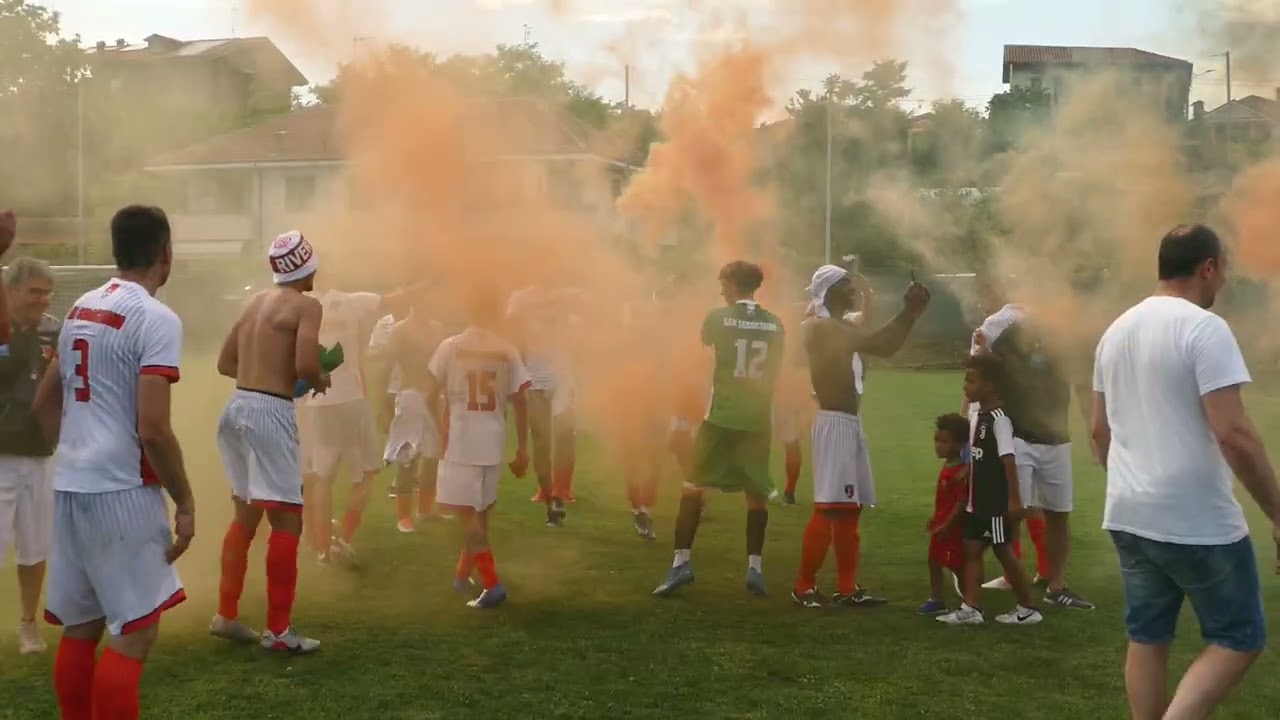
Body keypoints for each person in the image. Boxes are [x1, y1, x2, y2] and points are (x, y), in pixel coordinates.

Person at [1091, 224, 1280, 720]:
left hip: (1129, 515)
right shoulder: (1203, 328)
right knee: (1239, 638)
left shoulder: (1115, 331)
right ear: (1208, 268)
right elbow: (1234, 433)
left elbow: (1098, 433)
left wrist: (1136, 480)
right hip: (1196, 520)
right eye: (1223, 271)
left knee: (1147, 636)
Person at [33, 206, 194, 719]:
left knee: (83, 626)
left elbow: (43, 405)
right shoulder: (156, 317)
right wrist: (185, 501)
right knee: (135, 631)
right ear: (165, 253)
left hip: (72, 485)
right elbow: (153, 428)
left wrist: (76, 453)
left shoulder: (78, 306)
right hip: (121, 491)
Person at [210, 230, 327, 654]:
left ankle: (226, 613)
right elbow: (306, 363)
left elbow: (225, 362)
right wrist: (318, 379)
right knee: (288, 519)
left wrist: (267, 374)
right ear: (308, 266)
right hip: (269, 412)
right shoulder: (307, 305)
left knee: (245, 515)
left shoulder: (254, 301)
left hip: (236, 406)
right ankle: (278, 631)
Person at [790, 265, 928, 608]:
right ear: (830, 291)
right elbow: (881, 345)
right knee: (829, 507)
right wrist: (909, 313)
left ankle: (847, 589)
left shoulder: (831, 326)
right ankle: (803, 587)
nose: (853, 291)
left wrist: (910, 314)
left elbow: (882, 344)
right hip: (834, 421)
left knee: (849, 509)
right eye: (846, 286)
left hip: (847, 422)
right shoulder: (821, 328)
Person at [653, 261, 784, 598]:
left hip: (722, 416)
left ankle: (681, 563)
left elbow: (704, 350)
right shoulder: (775, 324)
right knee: (756, 494)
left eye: (722, 282)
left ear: (733, 283)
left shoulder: (716, 318)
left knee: (692, 486)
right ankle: (755, 568)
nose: (720, 289)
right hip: (757, 420)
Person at [967, 274, 1093, 611]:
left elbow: (1081, 378)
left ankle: (1056, 585)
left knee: (1058, 513)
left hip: (1057, 437)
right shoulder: (1010, 331)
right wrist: (982, 352)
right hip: (1019, 433)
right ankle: (1010, 581)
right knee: (1013, 511)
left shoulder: (1062, 335)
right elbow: (987, 371)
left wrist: (1092, 424)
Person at [425, 292, 531, 608]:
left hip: (461, 439)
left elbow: (428, 392)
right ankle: (461, 576)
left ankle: (492, 583)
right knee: (480, 511)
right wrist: (523, 447)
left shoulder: (450, 346)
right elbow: (522, 399)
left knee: (466, 514)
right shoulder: (507, 349)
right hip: (493, 438)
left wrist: (438, 421)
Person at [302, 278, 416, 562]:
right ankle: (344, 537)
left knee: (322, 477)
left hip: (318, 400)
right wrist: (428, 284)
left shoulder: (302, 307)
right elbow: (394, 297)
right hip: (352, 398)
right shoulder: (352, 300)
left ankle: (322, 549)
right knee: (366, 473)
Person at [937, 354, 1043, 626]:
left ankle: (1028, 607)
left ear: (990, 385)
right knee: (971, 548)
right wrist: (968, 471)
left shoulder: (999, 419)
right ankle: (972, 608)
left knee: (1003, 551)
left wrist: (1014, 500)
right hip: (976, 500)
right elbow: (980, 453)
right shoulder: (977, 416)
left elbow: (1008, 460)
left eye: (971, 381)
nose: (965, 386)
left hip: (994, 502)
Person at [0, 257, 58, 654]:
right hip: (1, 454)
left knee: (35, 547)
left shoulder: (55, 331)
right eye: (34, 291)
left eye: (46, 291)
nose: (43, 299)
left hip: (40, 455)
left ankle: (28, 625)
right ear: (12, 291)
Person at [508, 286, 579, 515]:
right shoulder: (520, 296)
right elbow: (509, 321)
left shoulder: (565, 292)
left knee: (565, 433)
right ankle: (546, 490)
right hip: (535, 375)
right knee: (541, 438)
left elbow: (583, 306)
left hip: (562, 373)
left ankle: (562, 488)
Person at [383, 300, 446, 532]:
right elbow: (387, 365)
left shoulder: (437, 328)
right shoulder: (401, 329)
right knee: (408, 457)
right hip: (410, 395)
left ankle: (425, 509)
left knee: (432, 456)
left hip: (434, 397)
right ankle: (403, 516)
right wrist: (384, 403)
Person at [917, 413, 969, 616]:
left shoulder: (961, 471)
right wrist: (935, 517)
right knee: (934, 561)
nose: (938, 446)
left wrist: (947, 524)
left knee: (957, 566)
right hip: (941, 525)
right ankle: (936, 599)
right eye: (936, 440)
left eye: (944, 442)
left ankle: (969, 602)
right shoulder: (947, 465)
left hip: (952, 528)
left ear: (959, 444)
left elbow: (961, 502)